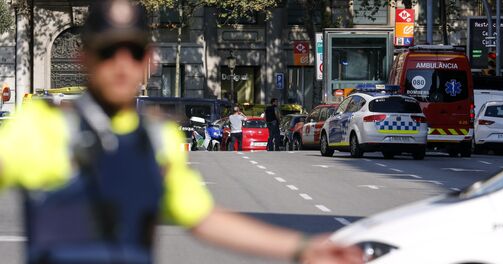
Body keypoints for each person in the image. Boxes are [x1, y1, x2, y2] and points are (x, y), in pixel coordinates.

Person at [0, 1, 362, 264]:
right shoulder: (40, 128)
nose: (122, 65)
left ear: (149, 59)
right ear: (85, 58)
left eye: (133, 51)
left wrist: (301, 249)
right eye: (109, 52)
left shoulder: (158, 139)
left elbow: (202, 218)